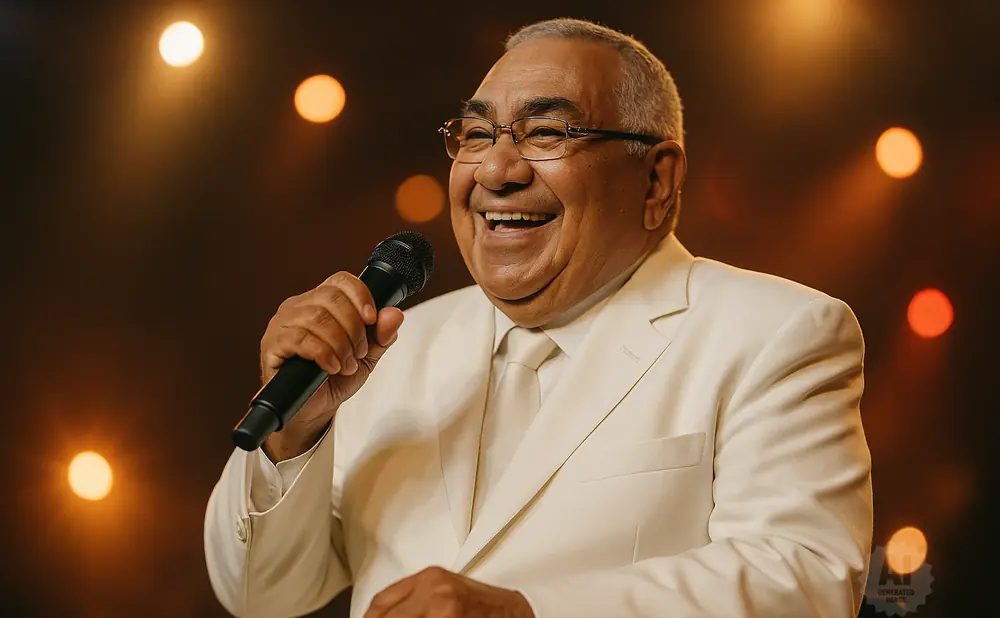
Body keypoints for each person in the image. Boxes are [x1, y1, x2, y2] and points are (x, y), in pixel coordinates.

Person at [204, 17, 873, 618]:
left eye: (548, 132)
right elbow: (261, 595)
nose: (495, 168)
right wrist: (292, 439)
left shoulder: (774, 332)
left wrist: (526, 613)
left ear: (657, 180)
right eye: (474, 134)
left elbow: (802, 582)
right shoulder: (392, 346)